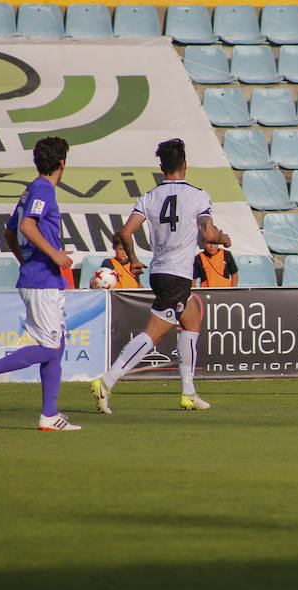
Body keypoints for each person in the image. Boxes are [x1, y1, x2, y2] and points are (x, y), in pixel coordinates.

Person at [90, 138, 230, 413]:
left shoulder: (149, 197)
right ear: (185, 165)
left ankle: (189, 392)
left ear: (162, 167)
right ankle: (107, 381)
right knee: (153, 334)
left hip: (160, 270)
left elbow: (125, 233)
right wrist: (223, 238)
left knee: (191, 320)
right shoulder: (198, 195)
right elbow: (208, 234)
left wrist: (133, 260)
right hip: (177, 275)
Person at [0, 137, 80, 431]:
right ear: (62, 163)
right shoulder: (42, 189)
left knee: (57, 345)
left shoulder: (31, 189)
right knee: (50, 348)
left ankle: (49, 415)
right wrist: (52, 253)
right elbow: (27, 225)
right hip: (42, 281)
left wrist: (25, 260)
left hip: (41, 277)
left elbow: (10, 232)